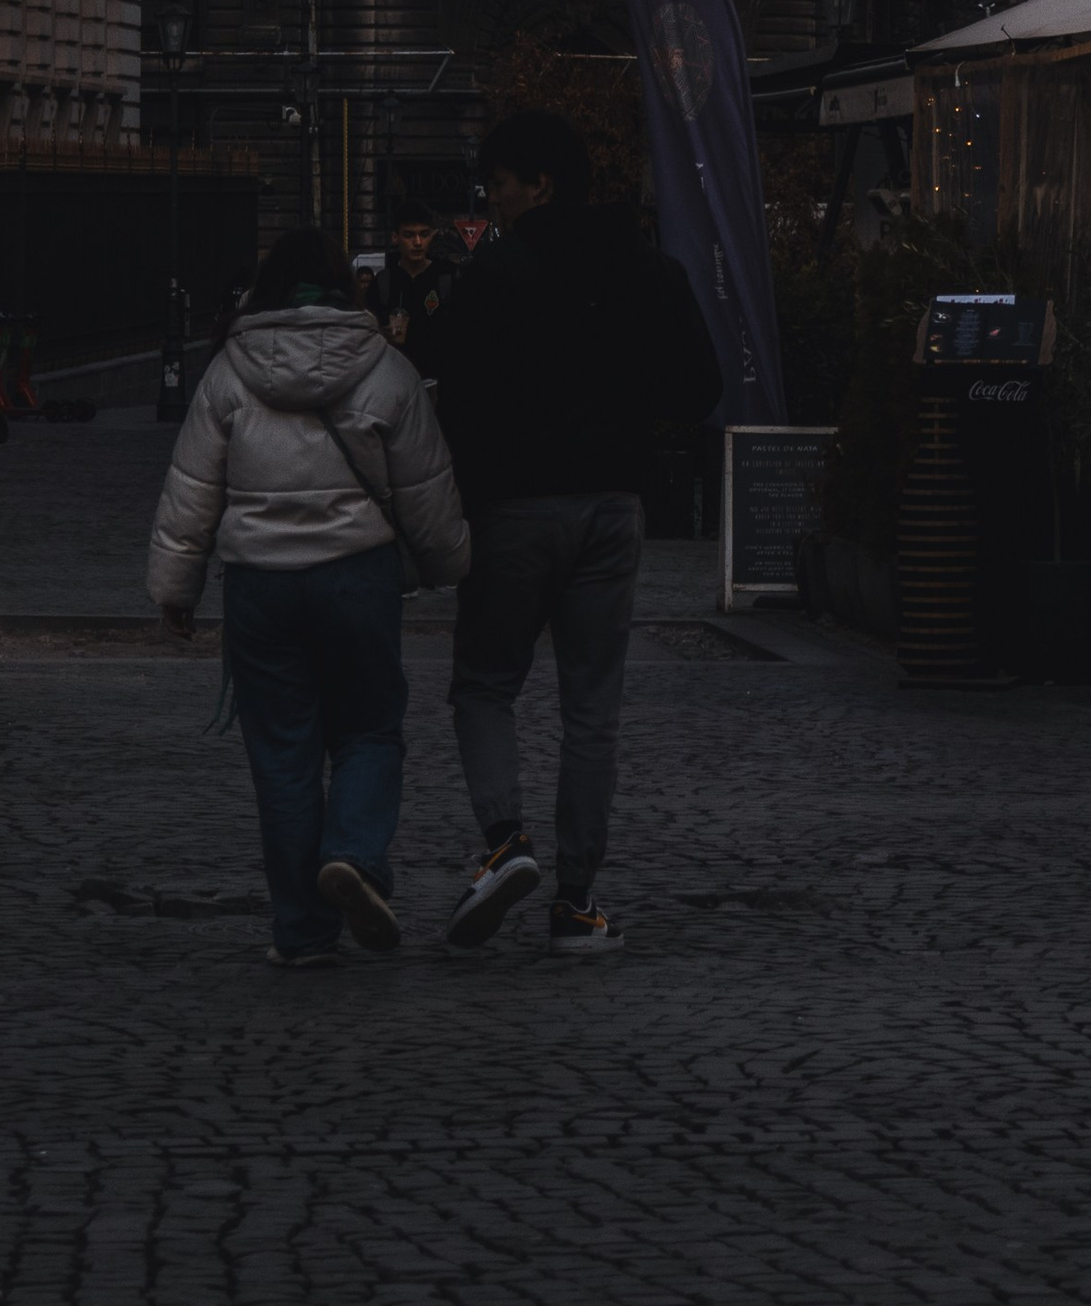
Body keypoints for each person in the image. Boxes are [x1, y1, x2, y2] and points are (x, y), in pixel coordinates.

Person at [419, 110, 720, 961]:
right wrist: (631, 420)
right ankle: (577, 901)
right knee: (593, 705)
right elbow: (700, 386)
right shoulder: (646, 267)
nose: (495, 199)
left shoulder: (496, 272)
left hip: (515, 505)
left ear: (539, 184)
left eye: (501, 184)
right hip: (614, 504)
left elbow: (456, 394)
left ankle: (506, 840)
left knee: (483, 683)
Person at [148, 225, 469, 966]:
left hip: (259, 585)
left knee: (284, 757)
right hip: (358, 575)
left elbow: (192, 488)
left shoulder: (229, 372)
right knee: (369, 729)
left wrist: (176, 586)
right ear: (345, 285)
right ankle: (353, 853)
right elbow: (425, 487)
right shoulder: (386, 369)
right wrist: (451, 562)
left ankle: (300, 931)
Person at [367, 212, 459, 357]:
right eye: (409, 235)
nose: (417, 242)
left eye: (424, 234)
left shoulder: (447, 278)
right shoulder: (383, 282)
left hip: (437, 372)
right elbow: (368, 332)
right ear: (395, 237)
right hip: (396, 369)